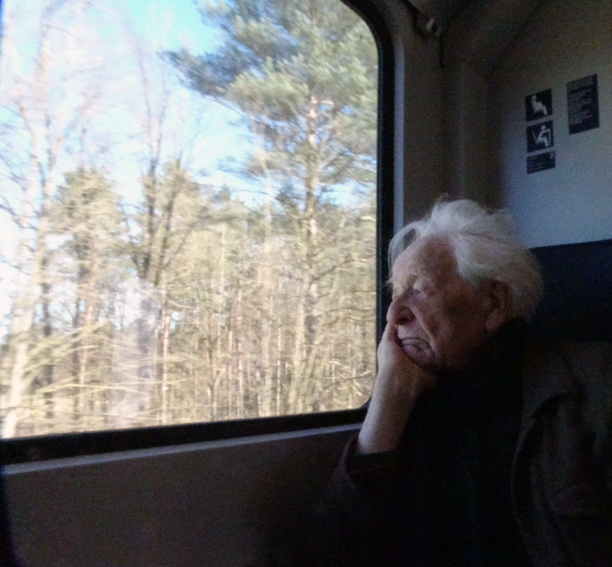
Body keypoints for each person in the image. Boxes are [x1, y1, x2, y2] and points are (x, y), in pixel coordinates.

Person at [315, 200, 612, 567]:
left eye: (419, 290)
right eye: (395, 294)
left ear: (493, 303)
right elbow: (329, 552)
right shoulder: (401, 395)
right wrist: (387, 403)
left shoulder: (595, 385)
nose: (393, 314)